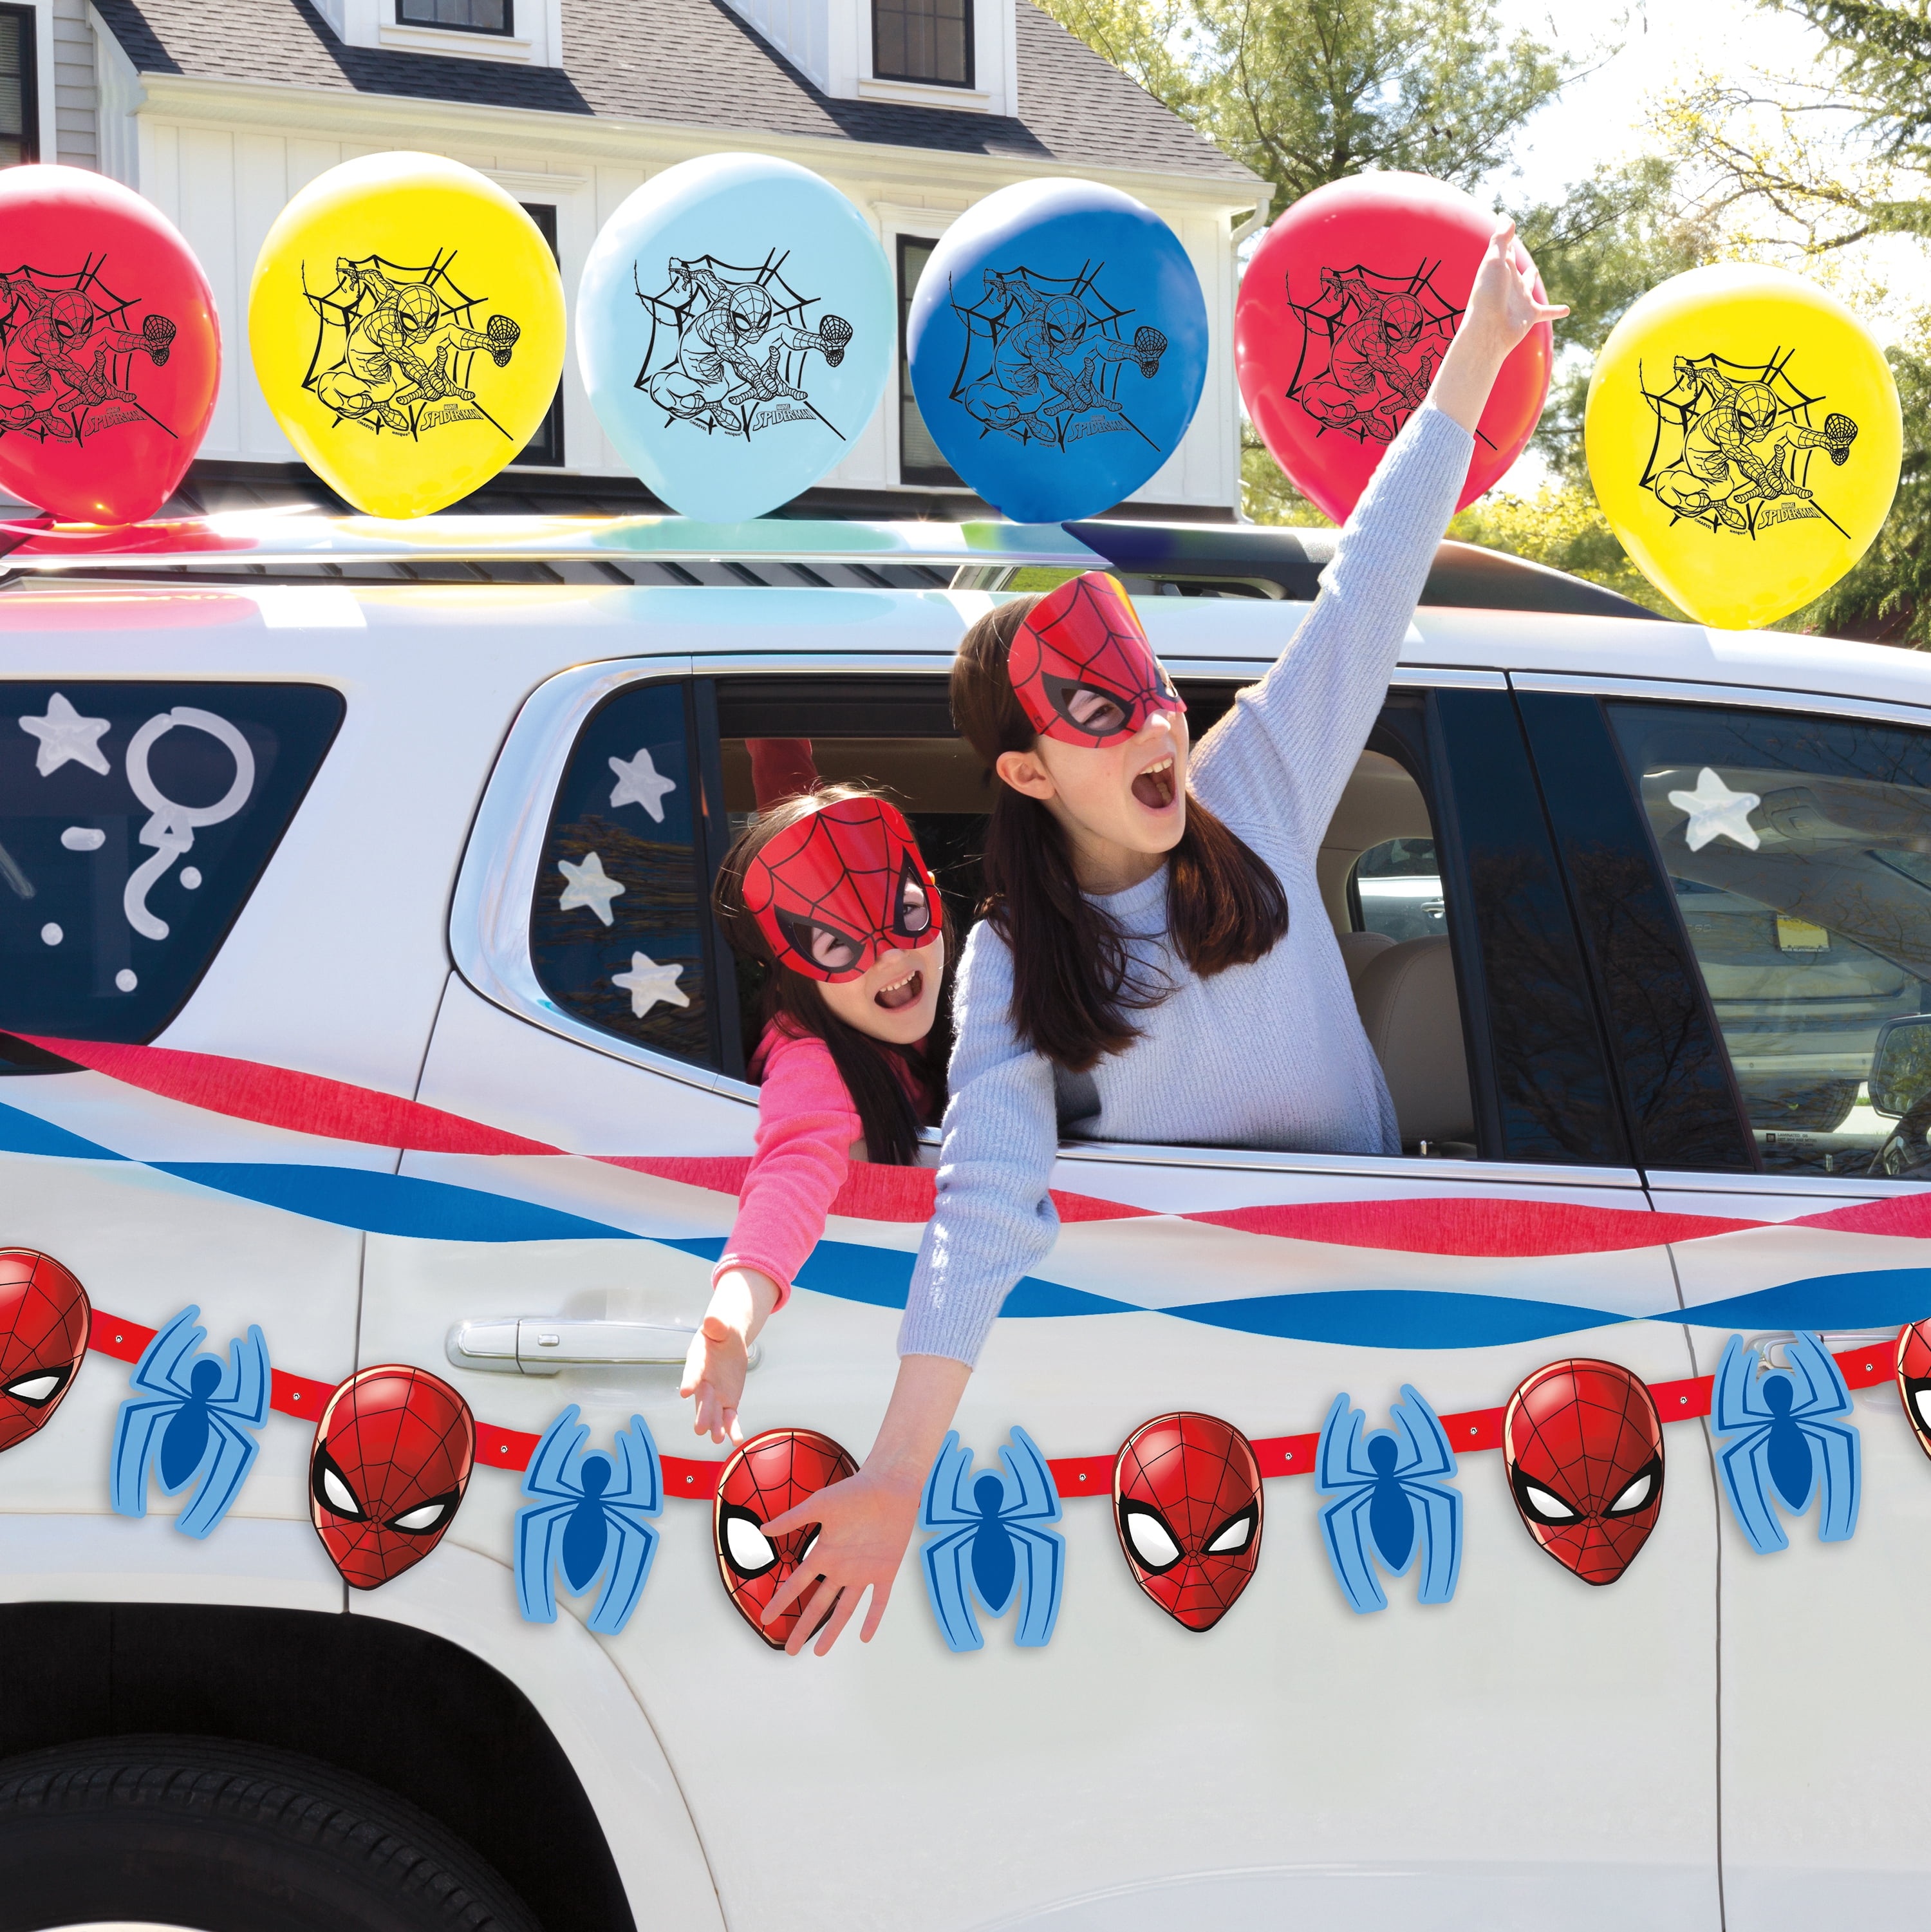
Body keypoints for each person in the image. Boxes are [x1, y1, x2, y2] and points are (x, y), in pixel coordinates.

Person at [754, 216, 1565, 1658]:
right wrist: (898, 1462)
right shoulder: (1006, 961)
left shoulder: (1253, 791)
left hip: (1395, 1332)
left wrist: (1474, 354)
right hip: (1190, 1378)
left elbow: (1370, 585)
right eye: (1101, 713)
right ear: (1025, 772)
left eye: (1154, 695)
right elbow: (987, 1199)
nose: (1156, 723)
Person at [680, 782, 949, 1445]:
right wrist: (736, 1313)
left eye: (906, 911)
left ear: (935, 893)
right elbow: (793, 1170)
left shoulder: (944, 1003)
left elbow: (796, 800)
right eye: (837, 944)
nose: (888, 952)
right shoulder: (813, 1063)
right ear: (794, 967)